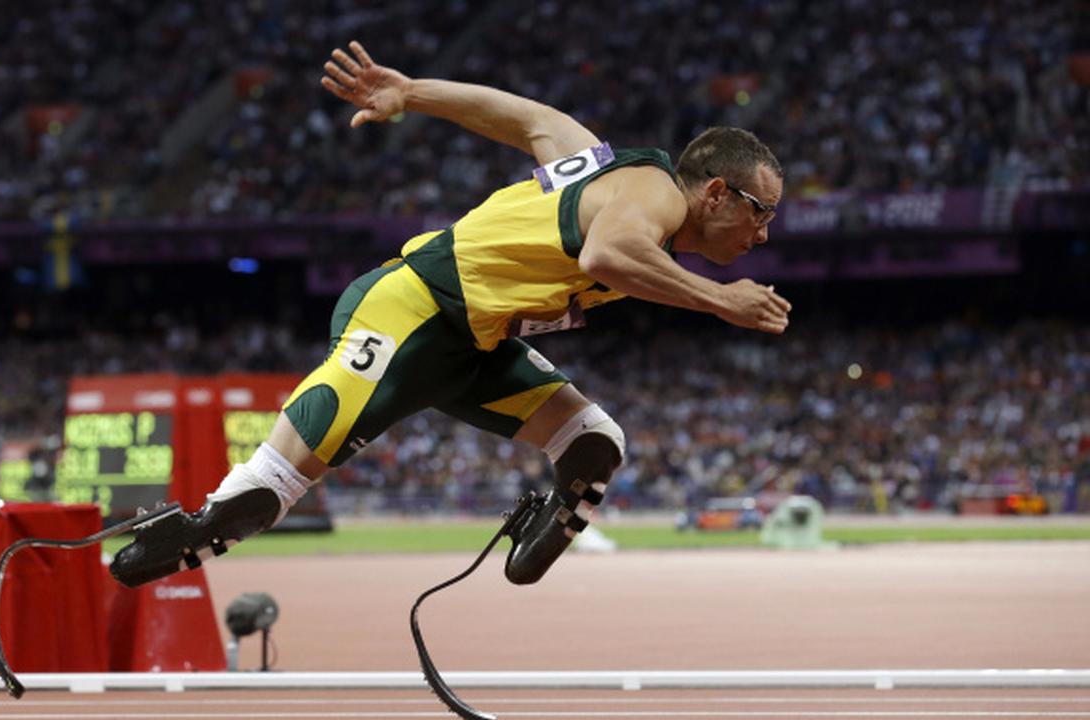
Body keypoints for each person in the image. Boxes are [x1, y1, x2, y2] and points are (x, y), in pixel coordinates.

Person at [110, 41, 791, 588]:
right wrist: (720, 299)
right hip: (411, 308)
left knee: (593, 440)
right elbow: (609, 255)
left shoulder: (605, 169)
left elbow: (529, 119)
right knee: (279, 481)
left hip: (475, 346)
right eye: (760, 213)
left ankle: (533, 533)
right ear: (715, 193)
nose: (762, 234)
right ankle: (192, 529)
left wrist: (411, 93)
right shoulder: (652, 195)